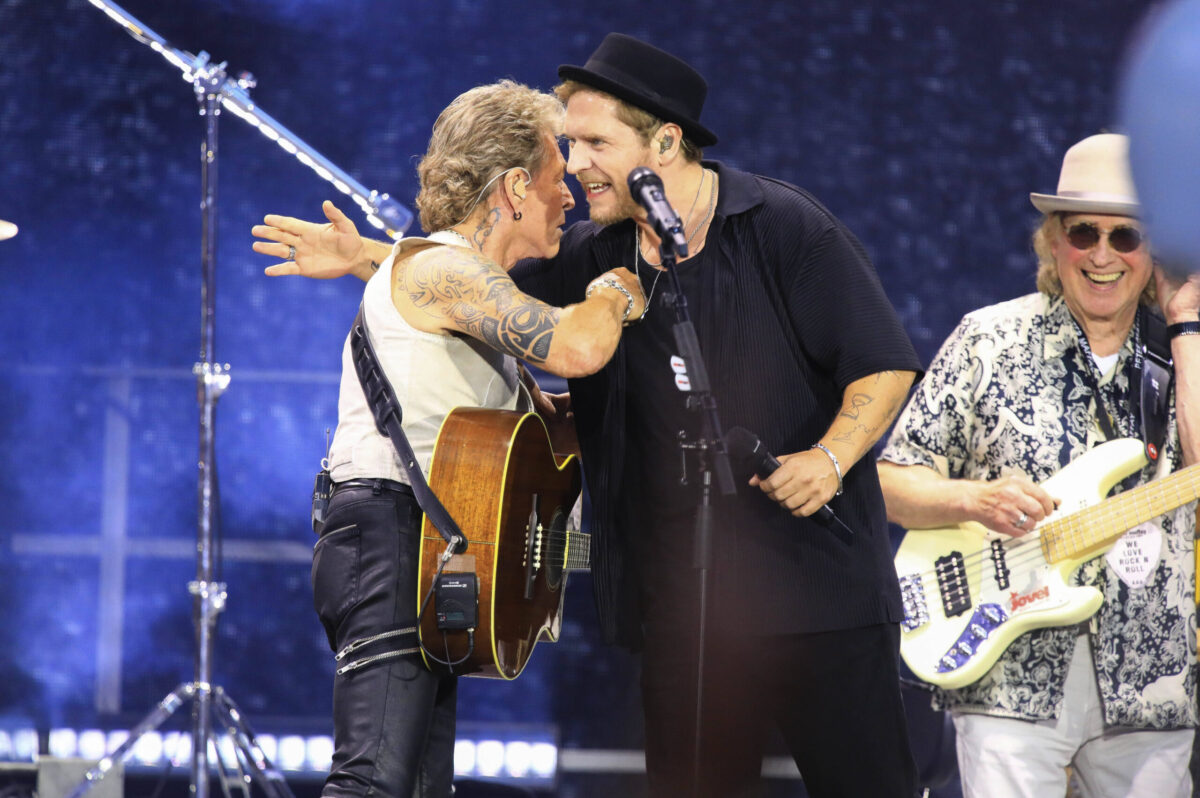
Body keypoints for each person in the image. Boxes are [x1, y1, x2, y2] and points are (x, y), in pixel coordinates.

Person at [257, 35, 922, 797]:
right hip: (689, 617)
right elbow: (467, 273)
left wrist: (831, 457)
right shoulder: (594, 252)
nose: (573, 165)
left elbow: (883, 357)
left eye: (595, 142)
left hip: (819, 599)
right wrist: (367, 254)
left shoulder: (785, 225)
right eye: (568, 144)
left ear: (666, 142)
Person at [262, 80, 645, 798]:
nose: (569, 196)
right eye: (558, 177)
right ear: (513, 189)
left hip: (424, 547)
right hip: (387, 536)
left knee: (415, 789)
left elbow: (552, 423)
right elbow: (575, 349)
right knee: (372, 781)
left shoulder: (454, 285)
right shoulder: (445, 269)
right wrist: (617, 291)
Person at [878, 132, 1200, 797]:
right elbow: (889, 481)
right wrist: (973, 501)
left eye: (1127, 237)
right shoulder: (988, 338)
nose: (1104, 255)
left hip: (1151, 685)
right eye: (1084, 233)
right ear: (1054, 242)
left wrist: (1186, 323)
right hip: (1009, 679)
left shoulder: (1185, 354)